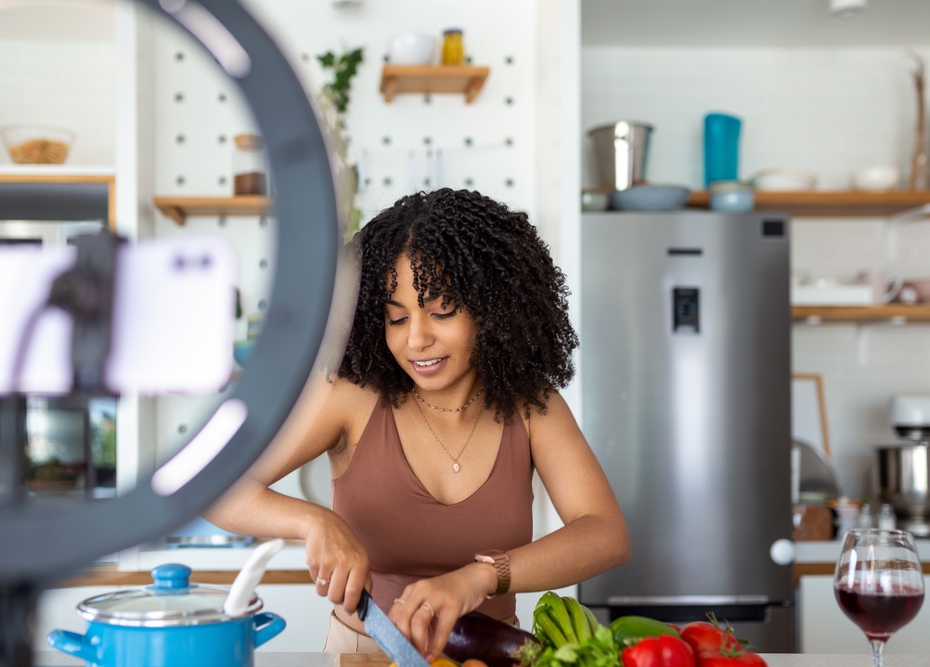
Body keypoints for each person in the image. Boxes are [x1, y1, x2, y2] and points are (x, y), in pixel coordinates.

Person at [207, 188, 630, 659]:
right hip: (364, 653)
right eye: (396, 318)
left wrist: (484, 576)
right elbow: (214, 486)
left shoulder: (531, 406)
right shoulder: (350, 396)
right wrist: (312, 521)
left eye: (442, 312)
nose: (417, 339)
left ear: (493, 309)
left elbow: (605, 533)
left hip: (489, 657)